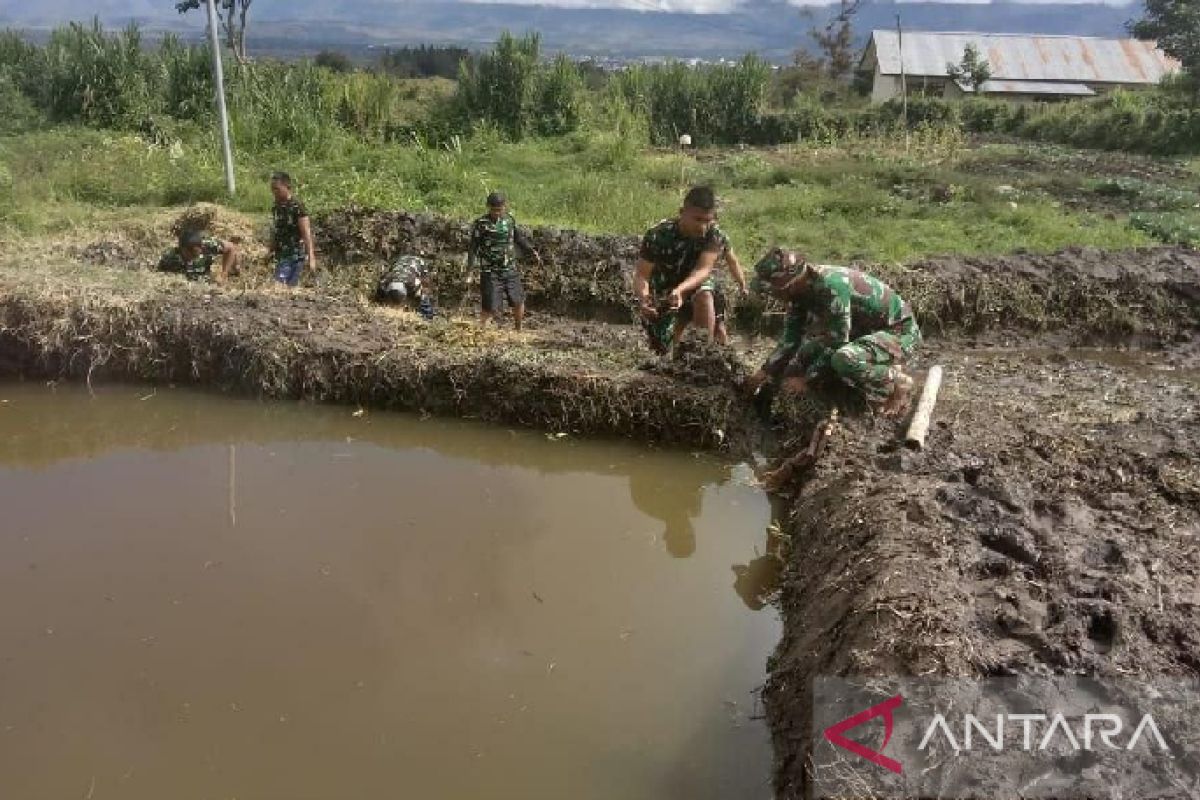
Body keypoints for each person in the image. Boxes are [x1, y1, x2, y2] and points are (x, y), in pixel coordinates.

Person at [744, 248, 920, 416]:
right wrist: (763, 373)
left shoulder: (832, 287)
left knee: (844, 359)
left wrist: (807, 381)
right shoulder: (798, 294)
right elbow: (790, 341)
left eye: (773, 292)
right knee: (801, 357)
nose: (772, 296)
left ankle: (898, 380)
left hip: (898, 332)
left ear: (790, 285)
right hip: (863, 330)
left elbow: (838, 341)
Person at [634, 186, 724, 356]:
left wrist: (681, 291)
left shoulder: (714, 234)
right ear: (682, 212)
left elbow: (703, 271)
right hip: (663, 292)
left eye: (707, 220)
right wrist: (644, 300)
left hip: (693, 285)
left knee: (704, 294)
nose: (703, 227)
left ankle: (702, 356)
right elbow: (642, 275)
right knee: (661, 350)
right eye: (698, 219)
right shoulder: (658, 234)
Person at [468, 192, 541, 330]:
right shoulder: (481, 224)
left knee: (518, 300)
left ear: (505, 207)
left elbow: (518, 239)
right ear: (488, 207)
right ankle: (481, 331)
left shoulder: (509, 221)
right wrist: (470, 270)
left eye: (500, 210)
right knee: (489, 306)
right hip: (490, 271)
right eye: (494, 210)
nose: (497, 213)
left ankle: (518, 329)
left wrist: (531, 251)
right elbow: (473, 247)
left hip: (509, 268)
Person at [268, 171, 316, 287]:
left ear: (287, 187)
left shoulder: (297, 206)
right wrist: (270, 250)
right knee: (279, 288)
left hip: (296, 256)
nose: (274, 192)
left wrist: (311, 257)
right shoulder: (276, 207)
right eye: (272, 189)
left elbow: (306, 233)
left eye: (277, 189)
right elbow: (276, 230)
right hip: (282, 256)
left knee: (288, 288)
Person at [157, 230, 237, 284]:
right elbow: (159, 274)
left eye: (195, 254)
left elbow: (231, 247)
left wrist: (224, 273)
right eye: (187, 254)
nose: (191, 257)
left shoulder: (208, 245)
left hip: (206, 283)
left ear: (201, 247)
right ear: (181, 249)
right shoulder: (169, 257)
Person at [375, 254, 436, 320]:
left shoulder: (413, 282)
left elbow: (425, 284)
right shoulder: (386, 281)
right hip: (400, 263)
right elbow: (380, 290)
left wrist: (421, 297)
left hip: (416, 264)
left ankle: (427, 316)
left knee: (424, 295)